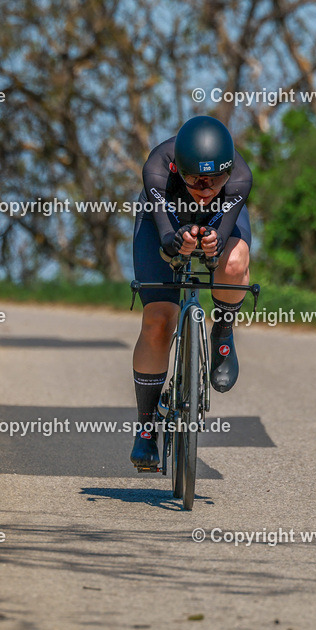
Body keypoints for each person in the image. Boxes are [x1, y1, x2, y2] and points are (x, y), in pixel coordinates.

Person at [129, 115, 252, 469]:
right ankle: (147, 427)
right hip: (162, 222)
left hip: (217, 224)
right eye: (196, 179)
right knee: (158, 319)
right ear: (176, 168)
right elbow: (166, 238)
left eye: (216, 179)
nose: (206, 186)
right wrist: (174, 244)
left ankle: (223, 333)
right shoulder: (156, 168)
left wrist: (215, 243)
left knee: (234, 262)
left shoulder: (241, 178)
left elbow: (225, 232)